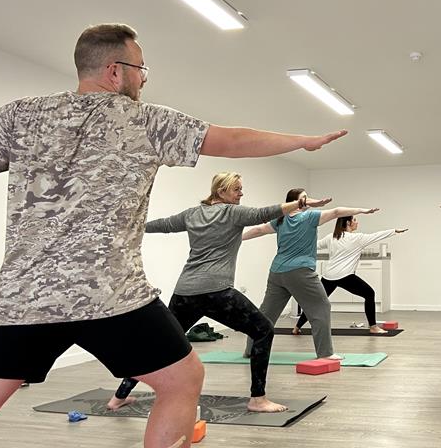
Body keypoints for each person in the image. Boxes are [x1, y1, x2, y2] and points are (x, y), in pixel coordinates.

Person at [0, 23, 346, 448]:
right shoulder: (145, 120)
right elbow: (233, 139)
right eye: (141, 68)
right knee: (182, 378)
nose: (143, 78)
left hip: (23, 299)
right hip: (110, 294)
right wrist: (302, 141)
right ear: (116, 71)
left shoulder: (22, 115)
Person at [107, 172, 331, 414]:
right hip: (217, 292)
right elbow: (265, 213)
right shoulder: (232, 213)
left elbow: (163, 225)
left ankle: (118, 397)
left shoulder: (192, 213)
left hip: (186, 292)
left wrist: (128, 227)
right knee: (263, 329)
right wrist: (301, 203)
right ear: (222, 192)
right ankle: (258, 399)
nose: (241, 193)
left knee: (159, 345)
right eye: (237, 189)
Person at [242, 189, 378, 359]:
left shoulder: (280, 219)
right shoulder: (309, 217)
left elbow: (259, 230)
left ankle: (250, 350)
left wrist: (238, 239)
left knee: (266, 314)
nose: (308, 200)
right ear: (297, 202)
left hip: (277, 272)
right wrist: (361, 210)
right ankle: (325, 353)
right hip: (300, 272)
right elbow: (336, 212)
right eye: (304, 198)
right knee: (321, 308)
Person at [293, 216, 407, 335]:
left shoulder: (332, 237)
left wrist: (297, 245)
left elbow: (314, 245)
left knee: (316, 302)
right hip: (345, 276)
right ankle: (373, 327)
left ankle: (297, 327)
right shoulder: (357, 238)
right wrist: (394, 231)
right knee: (369, 293)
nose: (357, 222)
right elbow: (376, 236)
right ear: (348, 222)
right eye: (355, 220)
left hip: (329, 276)